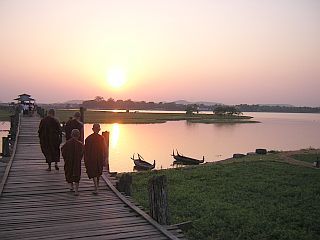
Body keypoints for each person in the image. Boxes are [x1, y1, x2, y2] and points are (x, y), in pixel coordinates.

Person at [84, 123, 107, 194]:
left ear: (93, 129)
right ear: (99, 130)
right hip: (99, 157)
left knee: (94, 172)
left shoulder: (88, 138)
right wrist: (105, 158)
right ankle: (97, 186)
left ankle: (96, 187)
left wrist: (86, 159)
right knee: (98, 171)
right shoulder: (102, 138)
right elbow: (105, 149)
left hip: (92, 158)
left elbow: (86, 150)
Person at [61, 129, 84, 196]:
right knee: (77, 175)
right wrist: (79, 158)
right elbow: (82, 153)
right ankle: (76, 190)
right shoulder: (80, 144)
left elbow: (63, 151)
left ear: (71, 135)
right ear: (79, 135)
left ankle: (71, 186)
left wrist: (66, 158)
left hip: (69, 161)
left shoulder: (67, 143)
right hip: (77, 163)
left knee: (69, 173)